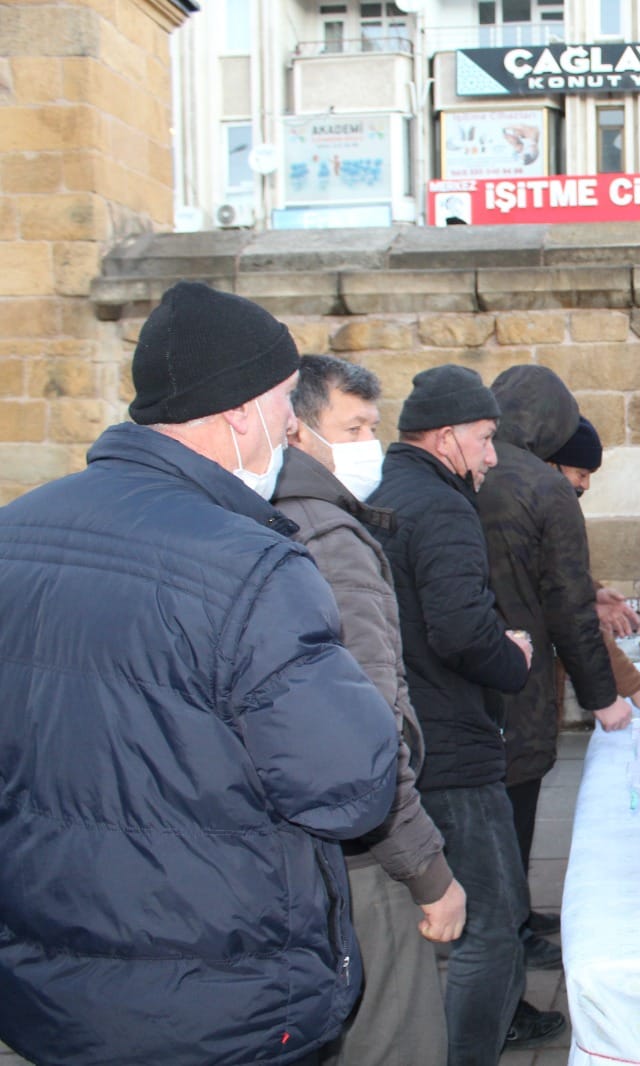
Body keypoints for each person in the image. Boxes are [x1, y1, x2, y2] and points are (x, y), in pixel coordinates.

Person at [0, 281, 398, 1066]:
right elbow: (351, 786)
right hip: (221, 998)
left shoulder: (14, 533)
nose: (292, 422)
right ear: (238, 412)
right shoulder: (250, 566)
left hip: (44, 989)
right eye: (287, 401)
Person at [275, 355, 467, 1066]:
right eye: (352, 427)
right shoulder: (329, 537)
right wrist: (428, 873)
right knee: (395, 1034)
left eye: (373, 427)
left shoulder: (267, 517)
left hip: (291, 854)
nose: (366, 444)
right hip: (361, 854)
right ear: (296, 430)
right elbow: (368, 729)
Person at [368, 365, 564, 1062]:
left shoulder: (385, 493)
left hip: (407, 737)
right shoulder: (445, 507)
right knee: (493, 924)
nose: (489, 457)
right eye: (483, 441)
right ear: (447, 438)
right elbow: (457, 630)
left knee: (433, 920)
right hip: (451, 745)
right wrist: (513, 657)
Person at [477, 370, 633, 971]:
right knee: (510, 811)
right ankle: (507, 942)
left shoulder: (482, 471)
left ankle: (514, 914)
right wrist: (605, 697)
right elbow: (563, 602)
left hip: (478, 669)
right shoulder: (543, 487)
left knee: (501, 813)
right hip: (518, 678)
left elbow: (521, 567)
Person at [545, 416, 640, 712]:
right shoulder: (542, 511)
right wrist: (629, 689)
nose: (585, 485)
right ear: (554, 465)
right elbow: (565, 605)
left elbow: (558, 574)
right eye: (581, 473)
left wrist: (593, 592)